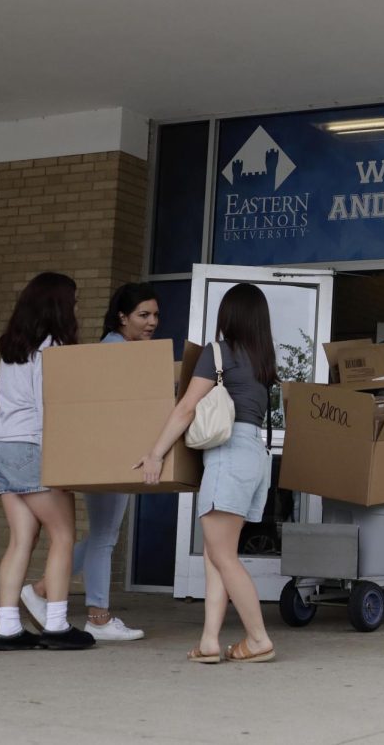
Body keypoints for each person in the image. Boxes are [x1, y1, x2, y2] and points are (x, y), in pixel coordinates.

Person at [135, 283, 276, 664]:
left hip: (228, 456)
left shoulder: (218, 352)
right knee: (218, 554)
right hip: (254, 458)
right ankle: (210, 640)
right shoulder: (263, 363)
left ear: (228, 316)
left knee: (224, 557)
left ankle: (259, 639)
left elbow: (186, 409)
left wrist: (155, 453)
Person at [21, 283, 158, 640]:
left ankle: (40, 590)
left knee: (103, 535)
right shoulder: (115, 352)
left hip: (111, 455)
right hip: (109, 457)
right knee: (104, 538)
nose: (151, 322)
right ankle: (97, 617)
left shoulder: (122, 350)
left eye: (155, 315)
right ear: (122, 317)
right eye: (143, 315)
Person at [0, 272, 94, 650]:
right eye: (74, 299)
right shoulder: (53, 347)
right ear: (59, 305)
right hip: (33, 447)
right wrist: (60, 463)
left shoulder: (13, 345)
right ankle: (57, 624)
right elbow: (51, 408)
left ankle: (8, 629)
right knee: (63, 535)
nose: (77, 306)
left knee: (20, 540)